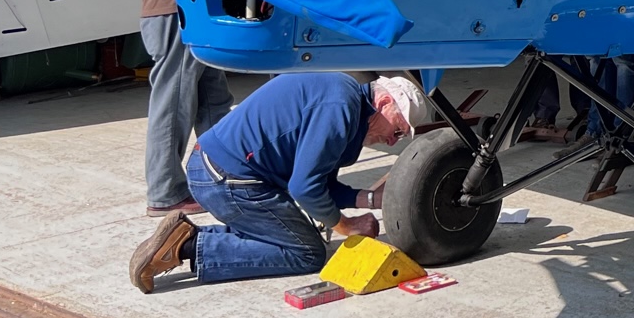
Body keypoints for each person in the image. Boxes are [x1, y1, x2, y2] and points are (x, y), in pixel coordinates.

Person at [128, 71, 425, 293]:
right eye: (397, 131)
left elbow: (320, 184)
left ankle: (181, 237)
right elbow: (305, 189)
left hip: (220, 169)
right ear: (384, 102)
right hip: (225, 178)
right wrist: (346, 226)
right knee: (305, 253)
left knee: (288, 237)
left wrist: (372, 199)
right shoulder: (340, 108)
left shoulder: (346, 101)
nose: (392, 141)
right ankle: (187, 246)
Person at [139, 0, 231, 215]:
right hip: (178, 7)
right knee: (173, 103)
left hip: (195, 7)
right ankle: (165, 191)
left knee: (213, 100)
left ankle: (226, 175)